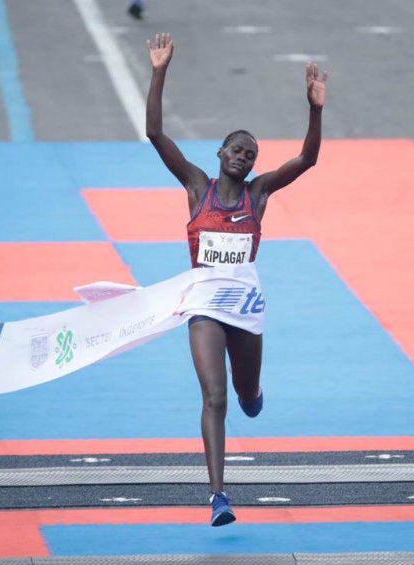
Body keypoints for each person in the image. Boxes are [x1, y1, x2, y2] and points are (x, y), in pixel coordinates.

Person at [144, 32, 326, 526]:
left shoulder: (259, 194)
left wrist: (314, 109)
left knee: (245, 397)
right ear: (220, 152)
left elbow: (306, 160)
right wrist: (159, 71)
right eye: (237, 149)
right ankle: (218, 497)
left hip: (245, 308)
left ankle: (254, 394)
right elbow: (156, 135)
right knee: (214, 397)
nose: (245, 156)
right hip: (204, 306)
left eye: (251, 153)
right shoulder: (196, 186)